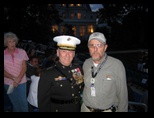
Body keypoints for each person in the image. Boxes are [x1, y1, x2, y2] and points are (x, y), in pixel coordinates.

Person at [81, 32, 128, 112]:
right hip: (85, 109)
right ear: (88, 47)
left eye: (99, 45)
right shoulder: (86, 63)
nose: (95, 49)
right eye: (92, 45)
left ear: (105, 47)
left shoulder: (117, 65)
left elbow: (122, 95)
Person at [38, 35, 84, 112]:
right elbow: (43, 103)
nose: (67, 55)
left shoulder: (77, 69)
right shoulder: (48, 74)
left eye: (70, 52)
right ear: (58, 53)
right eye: (63, 51)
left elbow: (79, 87)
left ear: (74, 54)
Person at [4, 32, 29, 112]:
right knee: (15, 103)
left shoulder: (22, 52)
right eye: (9, 42)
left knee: (23, 103)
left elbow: (24, 67)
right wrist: (13, 78)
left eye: (13, 41)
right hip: (8, 82)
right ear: (6, 43)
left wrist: (18, 79)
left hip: (21, 81)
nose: (12, 43)